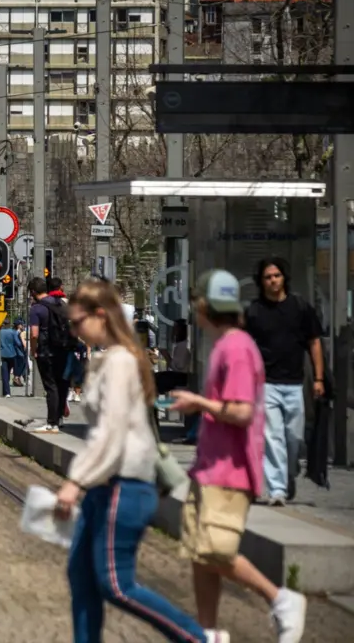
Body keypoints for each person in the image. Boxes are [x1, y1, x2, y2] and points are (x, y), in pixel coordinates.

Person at [55, 280, 219, 643]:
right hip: (106, 486)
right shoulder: (108, 359)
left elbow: (111, 434)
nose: (73, 329)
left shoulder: (121, 362)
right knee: (81, 577)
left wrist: (75, 481)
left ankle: (197, 638)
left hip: (125, 485)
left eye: (77, 322)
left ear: (100, 315)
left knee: (115, 582)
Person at [170, 269, 307, 643]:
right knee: (202, 553)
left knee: (216, 550)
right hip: (210, 468)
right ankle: (208, 631)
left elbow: (242, 411)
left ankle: (280, 599)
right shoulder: (226, 345)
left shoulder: (236, 349)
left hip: (230, 470)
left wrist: (198, 403)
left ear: (205, 306)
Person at [243, 257, 324, 505]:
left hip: (296, 384)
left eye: (276, 275)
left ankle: (289, 475)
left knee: (293, 438)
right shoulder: (254, 311)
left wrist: (319, 378)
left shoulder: (300, 308)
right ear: (261, 281)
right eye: (268, 277)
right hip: (267, 384)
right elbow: (245, 347)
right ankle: (277, 489)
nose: (273, 281)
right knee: (273, 436)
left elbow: (314, 342)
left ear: (283, 278)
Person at [29, 276, 75, 433]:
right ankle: (59, 418)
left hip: (46, 352)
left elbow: (34, 334)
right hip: (63, 349)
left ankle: (52, 423)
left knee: (51, 387)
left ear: (33, 292)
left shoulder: (36, 308)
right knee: (62, 385)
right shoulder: (61, 304)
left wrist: (33, 350)